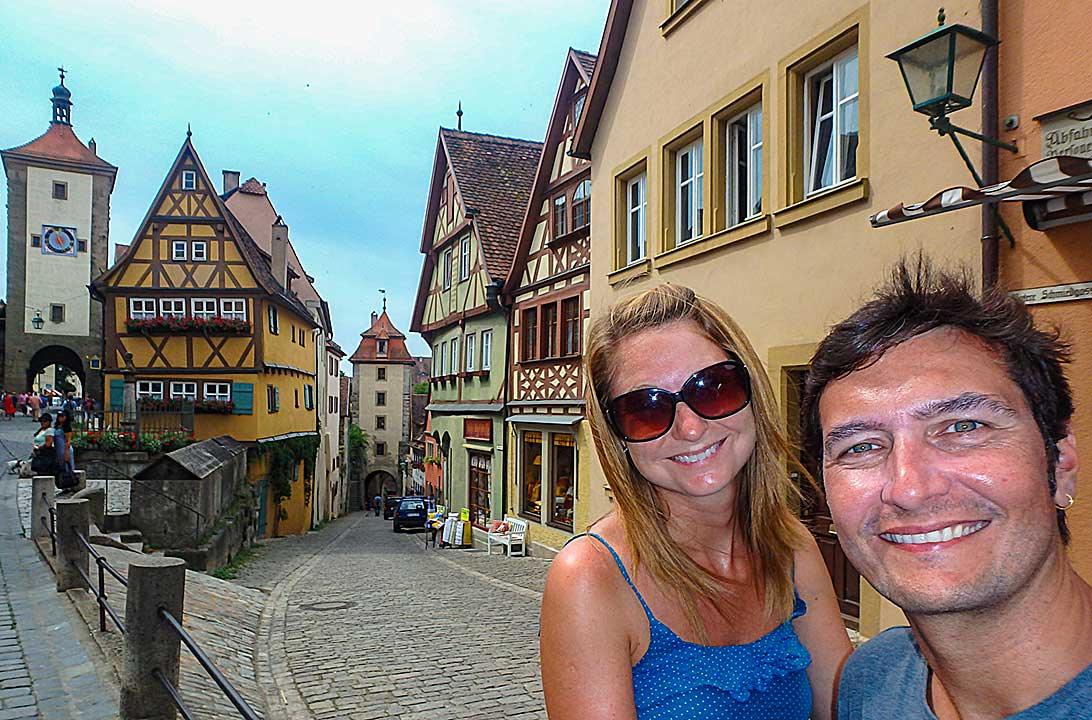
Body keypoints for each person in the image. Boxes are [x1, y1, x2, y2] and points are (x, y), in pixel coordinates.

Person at [541, 284, 851, 720]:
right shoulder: (592, 578)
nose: (689, 428)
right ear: (617, 437)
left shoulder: (791, 548)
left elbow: (843, 709)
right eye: (646, 408)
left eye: (713, 388)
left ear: (751, 393)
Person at [801, 258, 1092, 719]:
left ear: (1061, 460)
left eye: (963, 425)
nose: (910, 489)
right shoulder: (871, 682)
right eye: (860, 447)